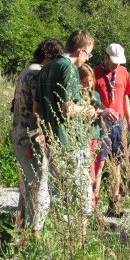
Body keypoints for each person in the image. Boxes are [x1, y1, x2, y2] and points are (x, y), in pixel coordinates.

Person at [33, 30, 96, 233]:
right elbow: (68, 109)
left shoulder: (46, 68)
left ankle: (57, 237)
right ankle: (80, 240)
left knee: (58, 194)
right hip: (71, 141)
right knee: (82, 194)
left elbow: (37, 110)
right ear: (81, 51)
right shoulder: (69, 68)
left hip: (53, 141)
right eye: (89, 54)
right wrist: (91, 110)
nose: (88, 59)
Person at [12, 37, 64, 237]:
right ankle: (35, 236)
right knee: (37, 187)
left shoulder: (27, 70)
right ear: (47, 55)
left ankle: (21, 235)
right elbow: (39, 108)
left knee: (27, 188)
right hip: (30, 137)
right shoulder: (36, 74)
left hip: (22, 134)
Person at [93, 43, 130, 217]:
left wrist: (129, 120)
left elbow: (125, 97)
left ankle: (114, 206)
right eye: (113, 62)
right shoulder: (93, 72)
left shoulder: (123, 72)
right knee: (99, 165)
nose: (116, 65)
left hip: (118, 124)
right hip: (99, 123)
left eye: (119, 62)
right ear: (105, 57)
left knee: (116, 165)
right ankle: (93, 208)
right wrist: (102, 111)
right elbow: (88, 98)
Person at [78, 64, 107, 206]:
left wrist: (106, 111)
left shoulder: (94, 95)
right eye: (85, 81)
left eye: (90, 81)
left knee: (97, 169)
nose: (88, 84)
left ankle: (94, 201)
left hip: (97, 134)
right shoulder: (77, 95)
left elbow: (99, 107)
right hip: (85, 135)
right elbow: (81, 115)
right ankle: (88, 204)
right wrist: (97, 112)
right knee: (88, 170)